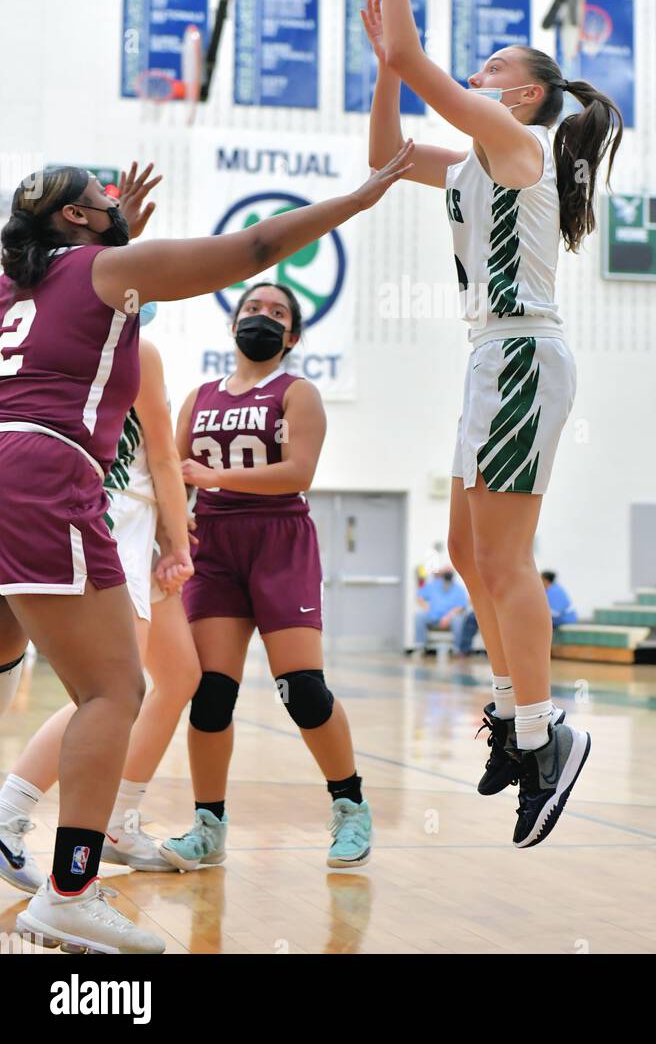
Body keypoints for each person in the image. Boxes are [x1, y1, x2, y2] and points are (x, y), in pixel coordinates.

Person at [0, 145, 412, 952]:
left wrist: (120, 258)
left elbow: (88, 315)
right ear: (78, 218)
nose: (114, 197)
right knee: (114, 690)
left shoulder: (20, 280)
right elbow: (254, 248)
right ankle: (71, 888)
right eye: (100, 195)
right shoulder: (106, 271)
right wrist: (357, 201)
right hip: (46, 474)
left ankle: (41, 817)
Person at [360, 0, 622, 847]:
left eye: (492, 67)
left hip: (521, 351)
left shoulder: (520, 145)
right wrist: (387, 66)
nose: (477, 75)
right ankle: (517, 723)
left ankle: (545, 735)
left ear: (526, 94)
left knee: (506, 559)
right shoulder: (476, 159)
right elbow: (386, 153)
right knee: (470, 553)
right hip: (492, 358)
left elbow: (418, 62)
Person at [160, 281, 374, 873]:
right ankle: (208, 826)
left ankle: (350, 805)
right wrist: (169, 538)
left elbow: (297, 472)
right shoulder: (197, 396)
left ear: (293, 335)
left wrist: (211, 476)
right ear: (233, 325)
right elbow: (175, 475)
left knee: (302, 689)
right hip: (214, 545)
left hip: (279, 539)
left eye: (277, 313)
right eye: (253, 309)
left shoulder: (298, 392)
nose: (262, 317)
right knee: (210, 695)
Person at [0, 321, 198, 894]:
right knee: (111, 687)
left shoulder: (42, 338)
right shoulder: (139, 348)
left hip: (113, 513)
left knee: (179, 674)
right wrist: (180, 543)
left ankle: (117, 820)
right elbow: (163, 457)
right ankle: (12, 811)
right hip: (112, 516)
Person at [413, 567, 468, 654]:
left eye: (449, 572)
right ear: (441, 574)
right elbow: (419, 596)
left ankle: (457, 649)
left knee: (458, 619)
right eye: (445, 572)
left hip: (450, 618)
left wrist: (448, 617)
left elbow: (461, 606)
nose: (447, 574)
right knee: (419, 616)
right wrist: (426, 607)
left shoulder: (459, 589)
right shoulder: (433, 585)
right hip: (433, 616)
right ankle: (420, 646)